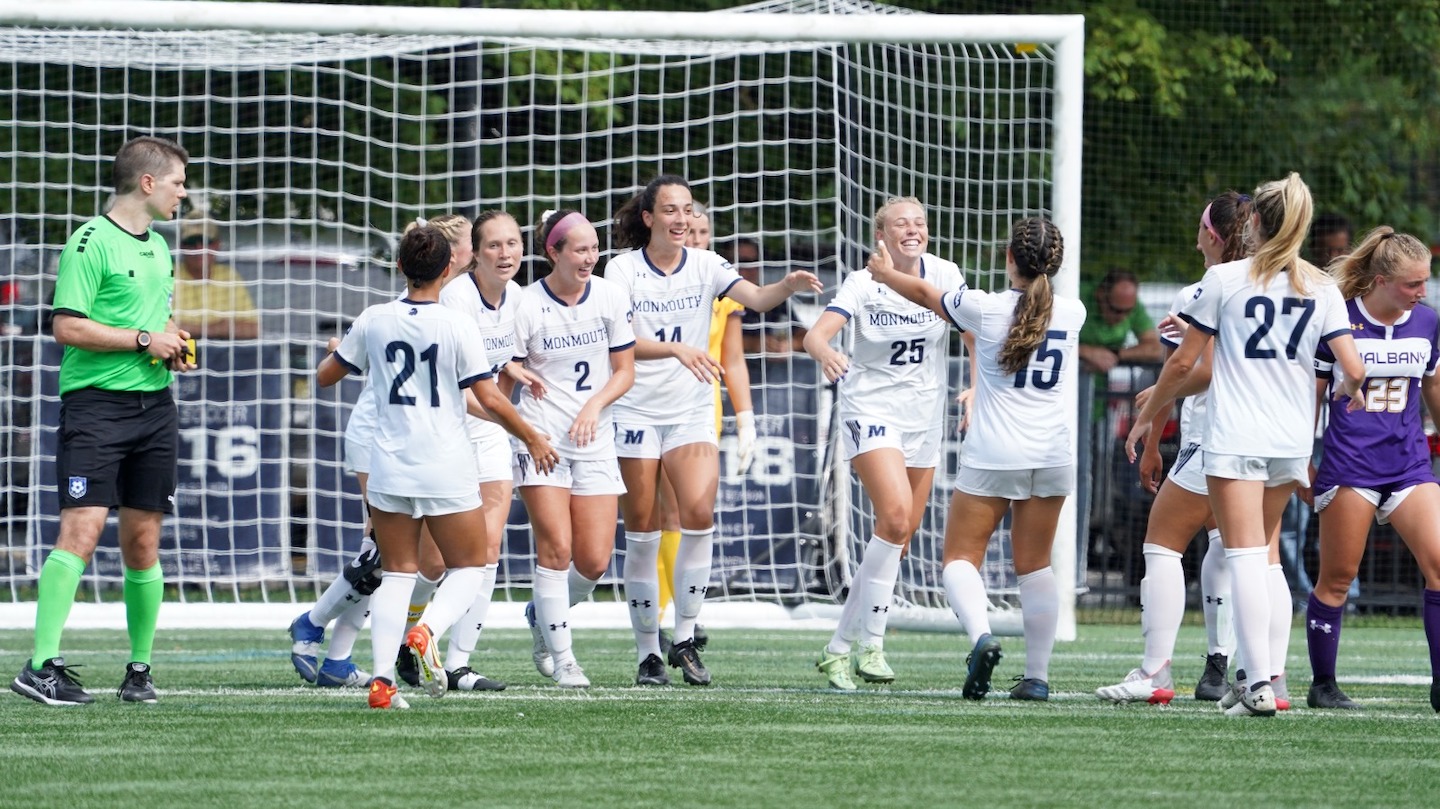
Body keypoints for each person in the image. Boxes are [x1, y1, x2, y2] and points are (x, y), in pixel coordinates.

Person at [1126, 172, 1365, 717]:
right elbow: (1352, 369)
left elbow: (1186, 362)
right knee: (1262, 557)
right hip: (1289, 439)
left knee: (1242, 556)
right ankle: (1266, 681)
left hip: (1235, 437)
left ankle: (1257, 683)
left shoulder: (1227, 279)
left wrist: (1147, 418)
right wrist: (1352, 394)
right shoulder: (1322, 287)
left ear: (1254, 220)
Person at [316, 224, 557, 709]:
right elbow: (487, 396)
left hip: (388, 465)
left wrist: (338, 352)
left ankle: (383, 683)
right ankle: (426, 632)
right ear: (450, 268)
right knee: (470, 565)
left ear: (400, 266)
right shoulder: (455, 324)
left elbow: (326, 377)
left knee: (399, 573)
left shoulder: (374, 318)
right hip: (444, 464)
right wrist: (531, 435)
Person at [609, 175, 820, 687]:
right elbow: (620, 341)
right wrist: (677, 349)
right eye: (671, 211)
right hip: (635, 410)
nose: (681, 220)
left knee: (699, 516)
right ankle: (647, 653)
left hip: (690, 411)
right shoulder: (621, 269)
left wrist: (785, 287)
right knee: (642, 531)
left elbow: (758, 297)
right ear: (649, 218)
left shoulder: (707, 264)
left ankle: (683, 638)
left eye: (687, 211)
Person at [10, 136, 197, 706]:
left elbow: (157, 318)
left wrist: (172, 342)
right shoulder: (89, 242)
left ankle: (138, 670)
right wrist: (145, 339)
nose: (183, 193)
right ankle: (41, 665)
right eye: (178, 183)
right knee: (82, 531)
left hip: (155, 410)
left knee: (144, 543)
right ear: (147, 183)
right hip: (95, 406)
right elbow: (66, 326)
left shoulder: (160, 247)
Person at [869, 216, 1085, 702]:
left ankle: (981, 638)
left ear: (1010, 259)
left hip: (995, 452)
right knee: (1035, 567)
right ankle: (1037, 678)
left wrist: (884, 275)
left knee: (960, 559)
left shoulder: (984, 308)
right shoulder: (1074, 312)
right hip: (1052, 454)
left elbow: (926, 294)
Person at [286, 214, 484, 691]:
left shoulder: (442, 306)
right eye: (472, 244)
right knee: (387, 558)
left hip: (407, 444)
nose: (478, 252)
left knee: (417, 565)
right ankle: (318, 628)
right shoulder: (422, 310)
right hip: (383, 437)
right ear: (452, 259)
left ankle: (344, 655)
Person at [1094, 191, 1251, 706]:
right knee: (1242, 551)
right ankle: (1240, 668)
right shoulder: (1287, 287)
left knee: (1162, 546)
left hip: (1215, 437)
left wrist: (1151, 426)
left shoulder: (1202, 290)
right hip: (1269, 439)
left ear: (1210, 234)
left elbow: (1181, 370)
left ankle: (1155, 670)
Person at [803, 196, 965, 690]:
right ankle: (871, 644)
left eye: (919, 222)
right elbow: (815, 336)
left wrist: (977, 386)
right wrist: (827, 350)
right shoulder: (862, 281)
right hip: (871, 410)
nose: (911, 229)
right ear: (883, 235)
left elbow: (974, 329)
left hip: (924, 417)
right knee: (893, 519)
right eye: (901, 223)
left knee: (899, 536)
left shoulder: (945, 273)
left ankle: (838, 649)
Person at [1305, 227, 1440, 712]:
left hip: (1409, 465)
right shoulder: (1337, 320)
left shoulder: (1426, 323)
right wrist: (1304, 460)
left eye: (1425, 282)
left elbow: (1433, 386)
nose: (1422, 292)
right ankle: (1323, 684)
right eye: (1412, 283)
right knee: (1338, 578)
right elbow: (1311, 398)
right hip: (1350, 468)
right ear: (1381, 280)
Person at [516, 209, 636, 689]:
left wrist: (594, 407)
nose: (590, 257)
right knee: (556, 549)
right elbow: (506, 367)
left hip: (595, 440)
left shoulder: (608, 294)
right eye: (580, 249)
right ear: (554, 253)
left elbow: (625, 370)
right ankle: (565, 659)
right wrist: (513, 372)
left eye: (594, 248)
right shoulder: (525, 304)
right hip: (542, 438)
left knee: (592, 562)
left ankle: (541, 615)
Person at [435, 209, 538, 691]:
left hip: (492, 431)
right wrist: (521, 427)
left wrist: (515, 372)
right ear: (474, 252)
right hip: (448, 432)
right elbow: (455, 390)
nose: (506, 253)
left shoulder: (516, 296)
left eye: (513, 243)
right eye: (494, 245)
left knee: (486, 549)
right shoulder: (454, 299)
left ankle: (457, 662)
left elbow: (502, 361)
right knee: (429, 563)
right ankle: (390, 638)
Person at [652, 201, 758, 653]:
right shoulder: (647, 278)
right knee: (656, 516)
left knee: (686, 513)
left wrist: (746, 417)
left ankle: (678, 617)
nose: (694, 239)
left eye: (701, 233)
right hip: (649, 403)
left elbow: (732, 358)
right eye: (688, 231)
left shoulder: (720, 283)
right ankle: (663, 615)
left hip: (700, 408)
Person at [1278, 212, 1357, 602]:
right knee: (1292, 519)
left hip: (1342, 428)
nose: (1336, 257)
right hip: (1300, 424)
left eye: (1342, 249)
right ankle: (1300, 592)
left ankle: (1348, 594)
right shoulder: (1305, 290)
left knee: (1343, 510)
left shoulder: (1355, 299)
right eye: (1329, 250)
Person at [172, 209, 260, 339]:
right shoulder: (167, 275)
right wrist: (221, 327)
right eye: (191, 242)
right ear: (181, 246)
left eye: (206, 241)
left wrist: (189, 328)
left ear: (217, 245)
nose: (199, 248)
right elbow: (157, 327)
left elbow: (253, 329)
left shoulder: (229, 277)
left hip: (223, 355)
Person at [1076, 268, 1163, 374]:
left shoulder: (1133, 305)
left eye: (1128, 311)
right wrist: (1085, 351)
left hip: (1103, 383)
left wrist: (1114, 354)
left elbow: (1155, 349)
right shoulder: (1077, 296)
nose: (1122, 317)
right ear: (1100, 294)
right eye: (1116, 310)